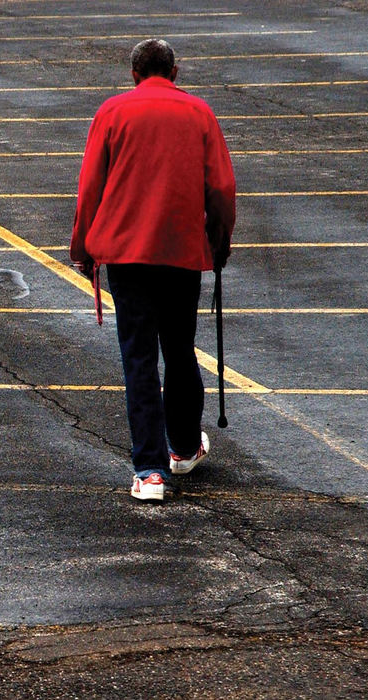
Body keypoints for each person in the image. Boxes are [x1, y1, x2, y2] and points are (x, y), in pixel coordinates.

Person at [70, 39, 235, 502]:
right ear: (175, 71)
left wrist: (83, 246)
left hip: (126, 254)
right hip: (181, 251)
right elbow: (221, 187)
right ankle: (183, 447)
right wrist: (219, 240)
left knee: (139, 357)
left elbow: (90, 188)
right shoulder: (199, 113)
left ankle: (149, 471)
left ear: (134, 74)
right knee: (180, 350)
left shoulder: (113, 112)